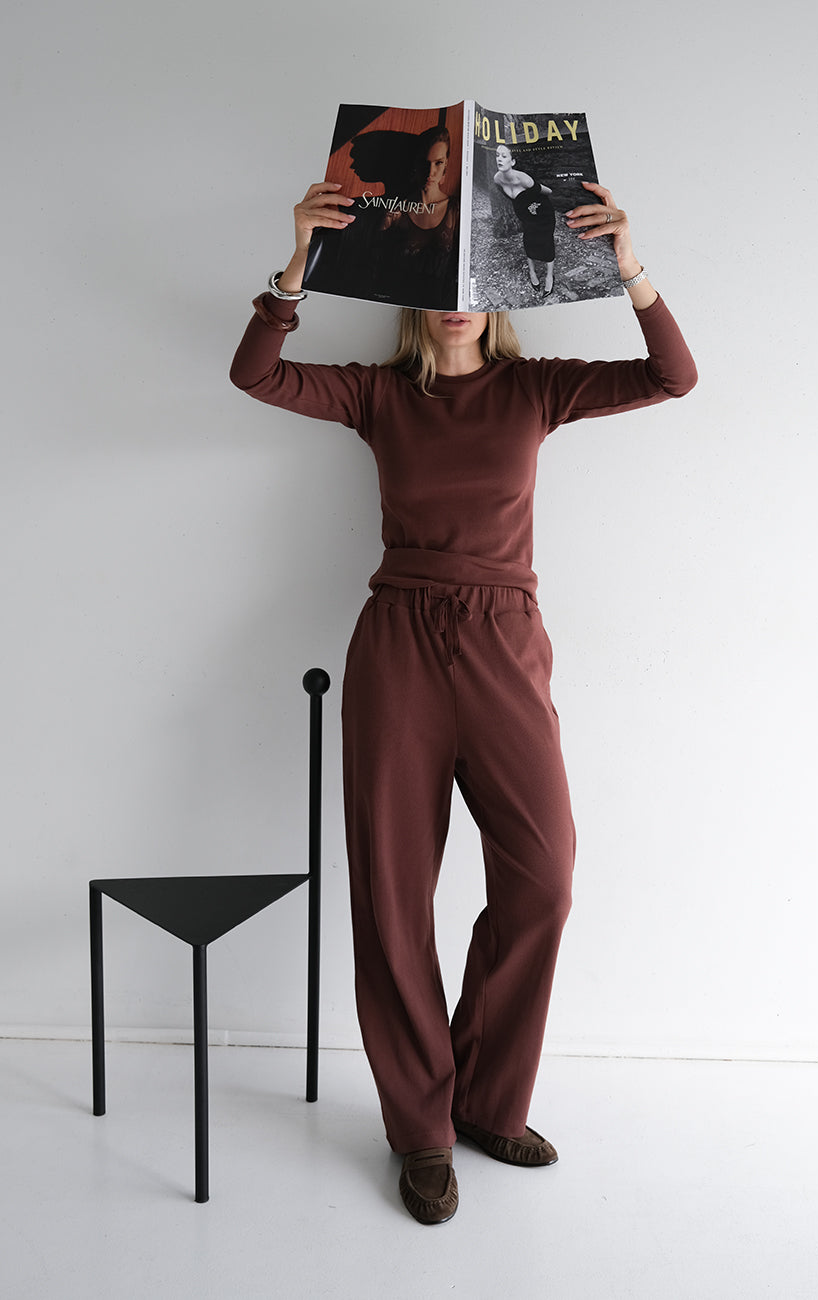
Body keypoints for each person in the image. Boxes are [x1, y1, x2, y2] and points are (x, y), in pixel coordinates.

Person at [230, 179, 697, 1225]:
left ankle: (487, 1100)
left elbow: (674, 375)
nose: (457, 304)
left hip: (502, 641)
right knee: (393, 893)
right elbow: (254, 372)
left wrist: (626, 265)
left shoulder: (533, 392)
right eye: (439, 285)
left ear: (502, 296)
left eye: (477, 284)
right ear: (413, 297)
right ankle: (421, 1128)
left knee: (543, 879)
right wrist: (298, 261)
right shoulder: (378, 395)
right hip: (398, 640)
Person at [377, 125, 459, 308]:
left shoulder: (455, 209)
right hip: (400, 303)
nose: (430, 172)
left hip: (443, 305)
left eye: (438, 163)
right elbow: (378, 264)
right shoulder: (396, 210)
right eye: (424, 162)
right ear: (416, 164)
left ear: (446, 164)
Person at [492, 143, 557, 294]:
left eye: (504, 156)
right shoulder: (497, 179)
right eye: (497, 155)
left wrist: (532, 203)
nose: (499, 159)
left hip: (542, 213)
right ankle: (532, 272)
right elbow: (511, 197)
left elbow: (547, 191)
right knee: (528, 240)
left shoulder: (525, 180)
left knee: (546, 241)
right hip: (525, 213)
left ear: (513, 162)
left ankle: (549, 276)